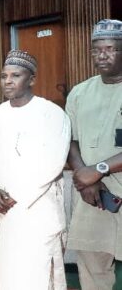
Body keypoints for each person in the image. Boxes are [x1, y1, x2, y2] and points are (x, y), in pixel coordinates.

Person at [0, 50, 70, 289]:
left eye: (15, 75)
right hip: (3, 208)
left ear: (31, 79)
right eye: (4, 76)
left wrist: (16, 195)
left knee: (37, 273)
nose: (8, 81)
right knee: (6, 272)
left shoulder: (52, 113)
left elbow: (53, 162)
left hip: (37, 207)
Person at [67, 19, 122, 289]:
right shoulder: (79, 92)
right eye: (96, 50)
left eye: (111, 48)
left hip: (110, 184)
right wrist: (83, 177)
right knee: (92, 269)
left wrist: (97, 170)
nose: (102, 55)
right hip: (94, 197)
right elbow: (70, 140)